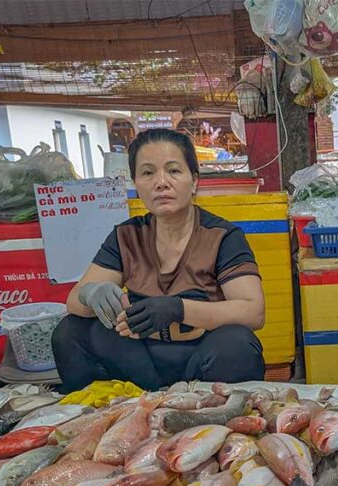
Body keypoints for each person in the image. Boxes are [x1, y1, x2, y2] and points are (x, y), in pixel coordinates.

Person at [51, 129, 266, 392]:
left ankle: (209, 420)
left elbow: (252, 312)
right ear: (136, 184)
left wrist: (177, 309)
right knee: (70, 332)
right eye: (148, 173)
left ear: (194, 181)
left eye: (174, 171)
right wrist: (91, 293)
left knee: (238, 344)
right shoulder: (126, 236)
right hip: (138, 360)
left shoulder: (223, 236)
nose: (161, 182)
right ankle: (109, 417)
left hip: (202, 358)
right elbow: (74, 302)